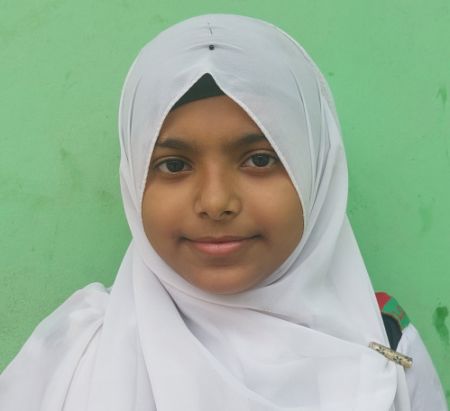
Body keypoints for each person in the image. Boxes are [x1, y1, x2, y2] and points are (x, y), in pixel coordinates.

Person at [0, 13, 447, 411]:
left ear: (316, 174)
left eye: (260, 159)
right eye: (173, 165)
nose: (215, 203)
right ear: (134, 181)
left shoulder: (384, 344)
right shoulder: (78, 350)